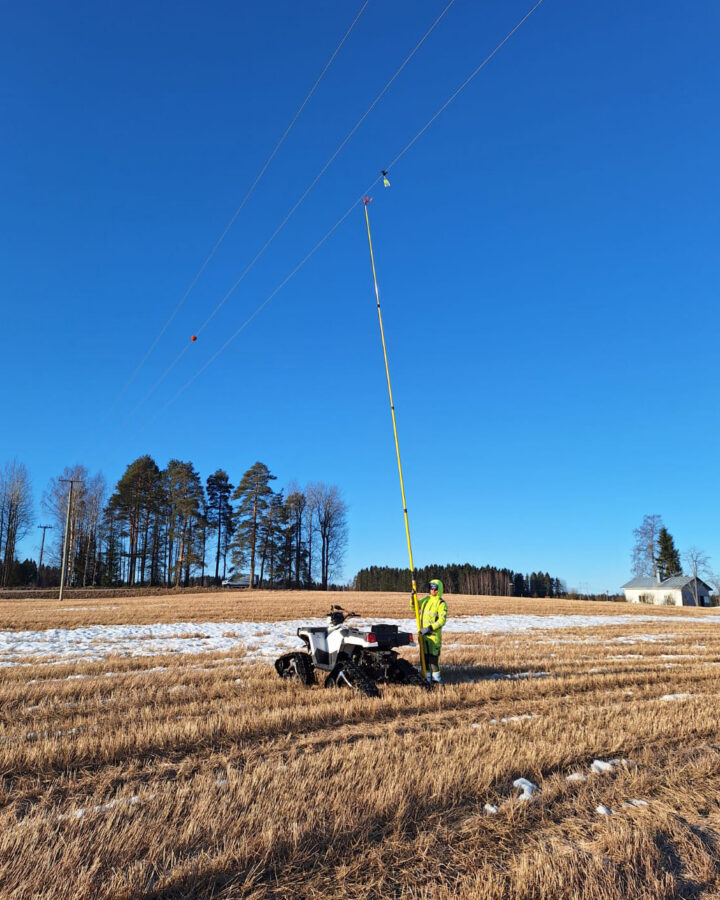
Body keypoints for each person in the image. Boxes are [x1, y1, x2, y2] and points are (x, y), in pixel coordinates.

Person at [411, 578, 447, 684]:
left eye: (435, 588)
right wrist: (412, 597)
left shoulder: (441, 604)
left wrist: (429, 628)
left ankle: (437, 681)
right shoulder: (426, 600)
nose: (433, 590)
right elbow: (414, 607)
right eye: (431, 588)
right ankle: (427, 680)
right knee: (424, 660)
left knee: (433, 661)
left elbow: (442, 621)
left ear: (439, 589)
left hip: (433, 636)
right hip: (423, 636)